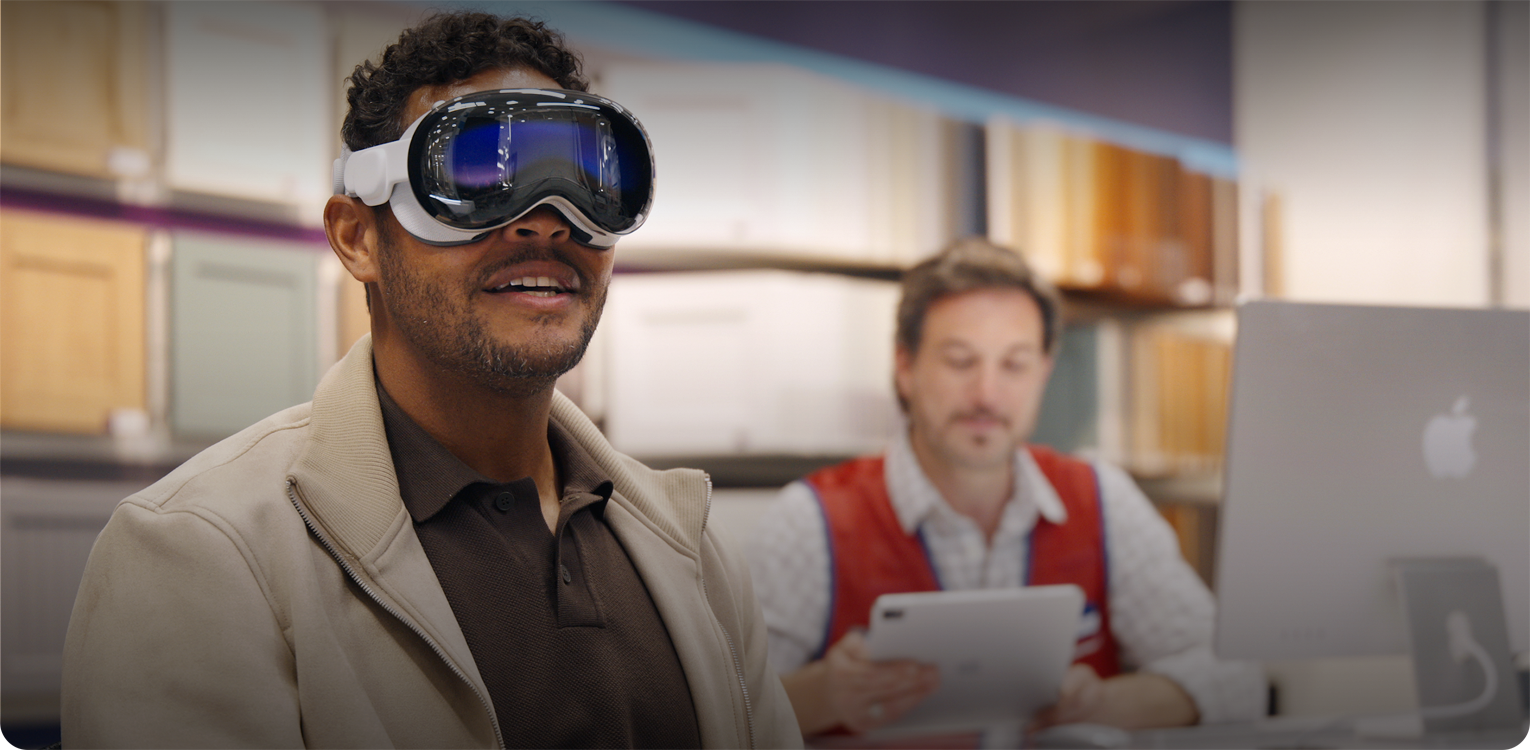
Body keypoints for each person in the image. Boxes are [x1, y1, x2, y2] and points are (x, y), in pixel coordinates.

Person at [61, 11, 801, 749]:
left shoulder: (693, 552)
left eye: (587, 183)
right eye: (478, 175)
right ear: (358, 238)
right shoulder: (200, 556)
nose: (546, 223)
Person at [747, 237, 1266, 737]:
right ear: (905, 368)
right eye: (959, 361)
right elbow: (718, 710)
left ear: (1044, 372)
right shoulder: (811, 519)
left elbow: (1237, 678)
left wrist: (1107, 705)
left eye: (1014, 364)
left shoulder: (1101, 498)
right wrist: (824, 696)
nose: (986, 395)